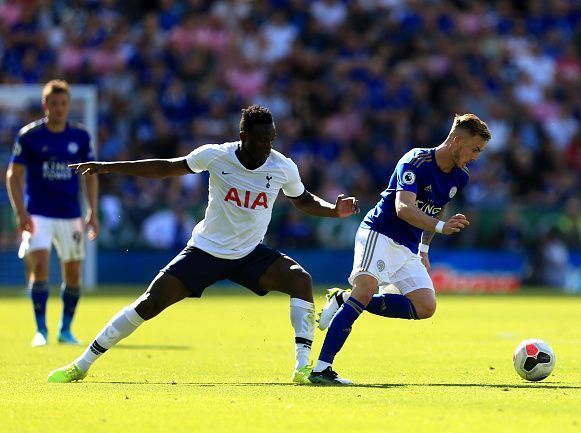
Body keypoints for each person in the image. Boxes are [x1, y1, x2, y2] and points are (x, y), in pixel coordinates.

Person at [47, 105, 359, 384]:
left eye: (272, 139)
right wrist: (108, 167)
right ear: (243, 135)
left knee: (300, 279)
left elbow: (302, 200)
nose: (268, 146)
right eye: (262, 139)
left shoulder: (282, 167)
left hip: (249, 254)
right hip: (206, 251)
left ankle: (302, 369)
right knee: (148, 304)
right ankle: (82, 364)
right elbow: (167, 167)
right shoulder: (216, 155)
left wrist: (333, 210)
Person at [308, 114, 491, 385]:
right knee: (366, 289)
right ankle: (321, 369)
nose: (476, 156)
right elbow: (403, 208)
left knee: (425, 306)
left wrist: (424, 248)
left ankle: (342, 300)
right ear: (456, 141)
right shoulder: (415, 161)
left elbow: (439, 206)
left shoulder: (460, 177)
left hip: (408, 246)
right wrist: (441, 227)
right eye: (475, 149)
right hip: (380, 233)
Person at [5, 79, 99, 347]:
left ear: (69, 105)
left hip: (70, 213)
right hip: (38, 213)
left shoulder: (80, 137)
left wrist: (92, 210)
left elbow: (90, 177)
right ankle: (40, 330)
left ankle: (65, 329)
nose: (59, 108)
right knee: (41, 265)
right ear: (45, 105)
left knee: (72, 272)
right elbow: (14, 174)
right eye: (54, 104)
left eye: (63, 104)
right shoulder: (30, 136)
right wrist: (20, 212)